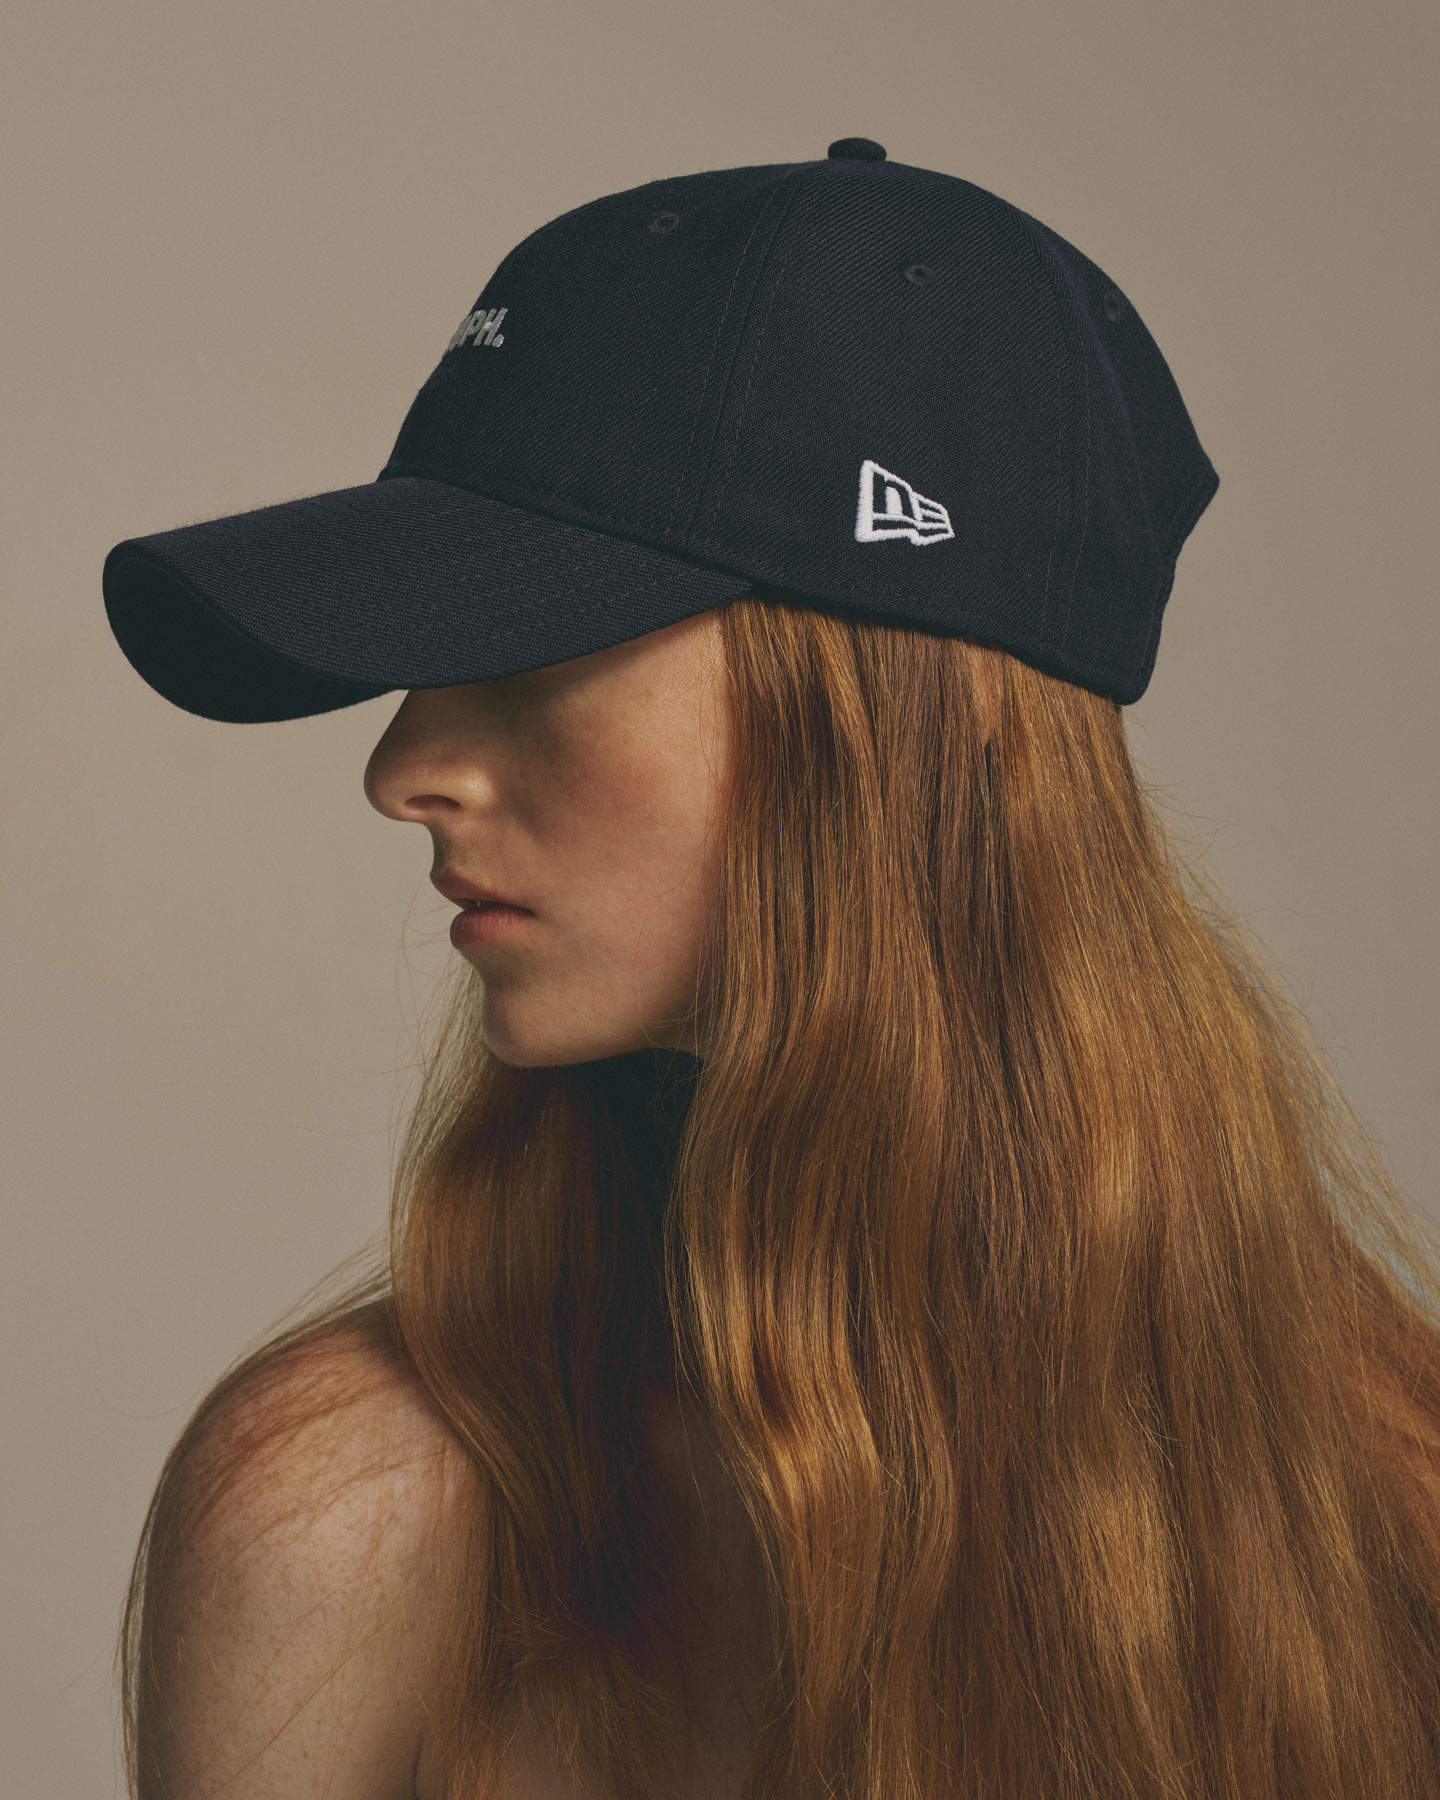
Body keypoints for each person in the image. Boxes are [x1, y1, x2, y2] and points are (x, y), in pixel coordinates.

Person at [102, 140, 1440, 1800]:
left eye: (524, 647)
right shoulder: (346, 1518)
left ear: (907, 713)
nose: (402, 768)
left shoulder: (1388, 1520)